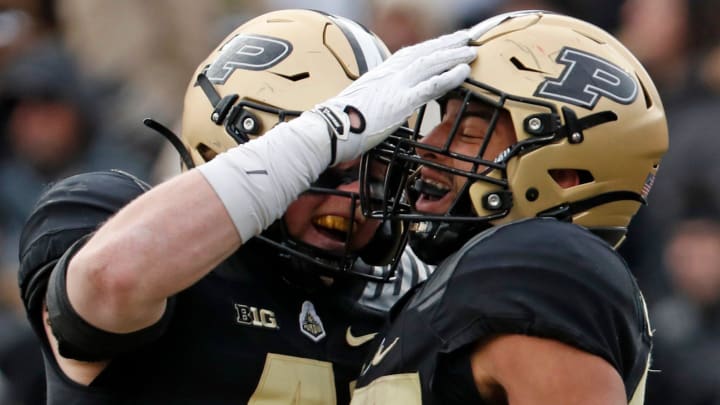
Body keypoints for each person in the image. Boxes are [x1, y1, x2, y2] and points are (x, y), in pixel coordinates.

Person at [16, 9, 478, 404]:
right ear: (228, 147)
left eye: (377, 176)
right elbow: (108, 283)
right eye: (327, 167)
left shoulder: (400, 293)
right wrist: (324, 134)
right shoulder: (105, 212)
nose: (355, 199)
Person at [352, 10, 668, 404]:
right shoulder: (465, 279)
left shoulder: (538, 263)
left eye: (466, 132)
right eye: (440, 120)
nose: (426, 145)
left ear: (564, 176)